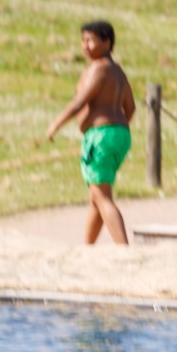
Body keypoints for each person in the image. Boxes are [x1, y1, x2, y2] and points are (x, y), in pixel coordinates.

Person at [45, 20, 136, 245]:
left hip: (101, 137)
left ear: (107, 42)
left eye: (90, 40)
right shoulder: (118, 72)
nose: (85, 46)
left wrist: (56, 124)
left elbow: (80, 101)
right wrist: (116, 130)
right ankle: (87, 249)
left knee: (102, 196)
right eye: (82, 41)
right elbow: (130, 108)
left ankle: (125, 251)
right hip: (119, 134)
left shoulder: (99, 68)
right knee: (96, 196)